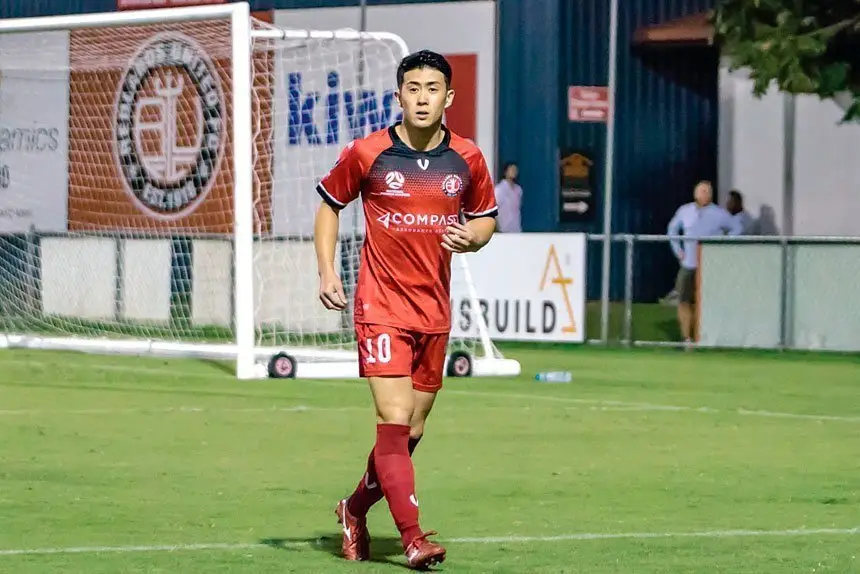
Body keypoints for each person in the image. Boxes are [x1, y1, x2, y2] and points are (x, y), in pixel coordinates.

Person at [313, 50, 498, 569]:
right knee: (392, 418)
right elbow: (329, 204)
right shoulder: (368, 152)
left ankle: (353, 510)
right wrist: (328, 270)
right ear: (399, 96)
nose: (422, 97)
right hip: (381, 305)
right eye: (412, 88)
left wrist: (475, 237)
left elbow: (486, 218)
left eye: (432, 88)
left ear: (448, 98)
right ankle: (414, 538)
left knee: (411, 431)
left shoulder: (468, 158)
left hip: (434, 311)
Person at [667, 181, 743, 346]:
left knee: (708, 301)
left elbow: (737, 228)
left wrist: (722, 245)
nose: (704, 194)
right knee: (684, 300)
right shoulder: (685, 211)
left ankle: (707, 338)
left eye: (707, 191)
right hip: (688, 264)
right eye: (701, 191)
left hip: (710, 266)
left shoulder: (719, 213)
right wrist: (678, 250)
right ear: (695, 194)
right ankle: (687, 338)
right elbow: (672, 230)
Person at [494, 162, 523, 232]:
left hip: (516, 228)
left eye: (515, 170)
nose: (513, 172)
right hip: (503, 229)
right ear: (505, 172)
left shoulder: (518, 190)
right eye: (511, 170)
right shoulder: (499, 189)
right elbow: (494, 209)